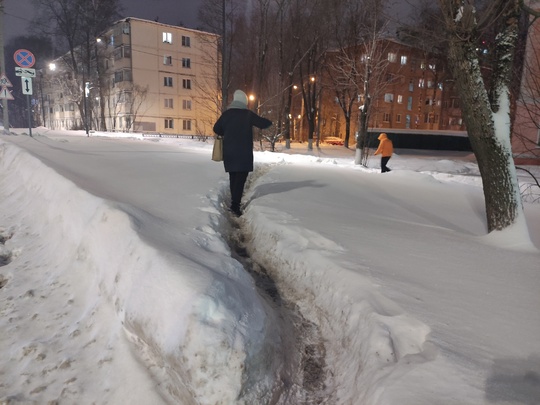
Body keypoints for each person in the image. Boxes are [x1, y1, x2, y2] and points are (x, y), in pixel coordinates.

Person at [213, 90, 272, 216]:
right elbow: (263, 124)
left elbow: (216, 129)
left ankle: (234, 203)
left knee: (233, 177)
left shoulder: (226, 115)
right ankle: (235, 206)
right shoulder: (247, 115)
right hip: (243, 153)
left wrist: (227, 131)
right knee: (240, 179)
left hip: (229, 152)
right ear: (244, 102)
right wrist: (270, 122)